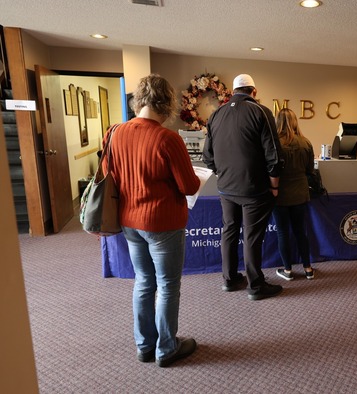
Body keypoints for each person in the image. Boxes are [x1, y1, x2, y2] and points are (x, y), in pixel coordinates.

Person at [105, 74, 200, 367]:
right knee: (168, 285)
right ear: (166, 103)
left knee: (144, 282)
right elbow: (189, 187)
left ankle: (145, 345)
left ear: (139, 100)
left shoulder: (114, 132)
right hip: (162, 223)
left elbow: (109, 176)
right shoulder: (168, 138)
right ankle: (166, 348)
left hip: (129, 221)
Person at [203, 74, 284, 301]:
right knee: (251, 236)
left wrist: (224, 174)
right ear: (254, 92)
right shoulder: (260, 112)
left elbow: (208, 156)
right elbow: (274, 156)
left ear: (232, 92)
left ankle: (230, 279)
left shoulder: (216, 114)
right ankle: (256, 286)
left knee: (229, 231)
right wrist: (275, 186)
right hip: (253, 189)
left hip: (226, 188)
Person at [272, 108, 316, 281]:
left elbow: (271, 169)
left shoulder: (275, 144)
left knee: (283, 233)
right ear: (295, 121)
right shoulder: (306, 142)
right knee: (300, 232)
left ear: (277, 123)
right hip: (300, 193)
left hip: (280, 194)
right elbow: (310, 170)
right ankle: (308, 268)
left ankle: (288, 270)